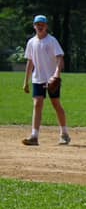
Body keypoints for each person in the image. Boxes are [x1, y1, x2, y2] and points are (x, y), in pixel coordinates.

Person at [22, 14, 70, 146]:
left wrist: (56, 74)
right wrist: (26, 81)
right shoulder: (31, 42)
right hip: (38, 78)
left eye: (42, 24)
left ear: (46, 26)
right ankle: (34, 136)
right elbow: (30, 62)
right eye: (38, 24)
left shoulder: (51, 41)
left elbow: (60, 58)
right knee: (37, 104)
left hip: (51, 78)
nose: (40, 26)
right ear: (34, 26)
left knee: (56, 104)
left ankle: (64, 134)